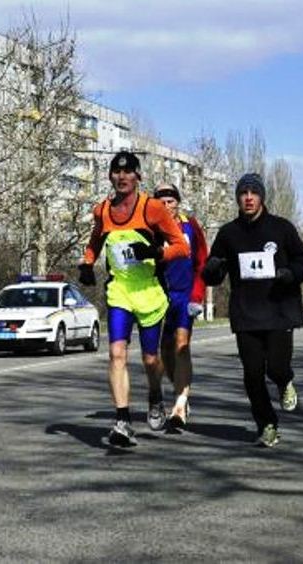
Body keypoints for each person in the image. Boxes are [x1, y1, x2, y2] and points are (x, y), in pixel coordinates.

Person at [79, 151, 190, 448]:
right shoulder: (102, 210)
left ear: (138, 176)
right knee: (117, 353)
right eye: (116, 172)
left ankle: (155, 395)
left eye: (128, 172)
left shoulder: (152, 209)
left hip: (149, 293)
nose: (122, 177)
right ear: (110, 176)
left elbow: (182, 247)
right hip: (120, 292)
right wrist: (88, 264)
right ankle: (123, 420)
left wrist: (156, 253)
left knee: (150, 358)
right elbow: (96, 240)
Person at [201, 173, 303, 448]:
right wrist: (213, 268)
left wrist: (290, 273)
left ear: (262, 197)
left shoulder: (281, 228)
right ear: (238, 198)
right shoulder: (229, 233)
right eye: (243, 193)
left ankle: (285, 381)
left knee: (276, 367)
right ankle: (266, 424)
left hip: (278, 310)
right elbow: (212, 273)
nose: (248, 198)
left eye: (253, 193)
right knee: (252, 375)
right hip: (246, 313)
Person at [153, 182, 208, 430]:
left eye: (170, 202)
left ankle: (180, 403)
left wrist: (198, 295)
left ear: (178, 202)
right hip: (160, 295)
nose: (166, 206)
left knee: (181, 346)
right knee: (165, 351)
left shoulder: (190, 225)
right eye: (161, 202)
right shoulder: (150, 228)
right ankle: (180, 388)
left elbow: (202, 261)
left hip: (185, 294)